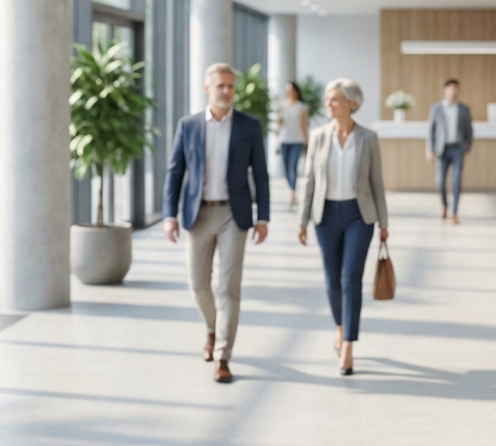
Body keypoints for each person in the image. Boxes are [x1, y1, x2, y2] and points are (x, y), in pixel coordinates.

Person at [162, 63, 271, 383]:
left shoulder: (249, 127)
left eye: (231, 86)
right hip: (198, 214)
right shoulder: (189, 125)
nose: (226, 91)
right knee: (198, 285)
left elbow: (261, 175)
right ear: (207, 89)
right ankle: (212, 327)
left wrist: (262, 216)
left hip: (233, 216)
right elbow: (175, 172)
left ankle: (223, 356)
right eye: (220, 86)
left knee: (228, 288)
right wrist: (169, 215)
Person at [297, 78, 390, 376]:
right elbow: (309, 179)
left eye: (335, 99)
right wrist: (302, 220)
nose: (329, 104)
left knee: (351, 278)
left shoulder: (368, 138)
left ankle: (348, 343)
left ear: (351, 103)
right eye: (328, 99)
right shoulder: (319, 136)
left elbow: (377, 182)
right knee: (332, 281)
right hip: (325, 215)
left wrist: (384, 223)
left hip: (358, 215)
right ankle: (339, 325)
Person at [426, 78, 473, 224]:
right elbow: (431, 131)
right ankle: (444, 205)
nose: (453, 91)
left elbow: (469, 130)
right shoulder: (436, 108)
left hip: (458, 148)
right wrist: (429, 150)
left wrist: (468, 145)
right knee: (440, 182)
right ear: (445, 90)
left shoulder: (464, 109)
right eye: (451, 88)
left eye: (456, 89)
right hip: (442, 149)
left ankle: (455, 212)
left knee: (456, 181)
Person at [275, 81, 310, 210]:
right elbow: (279, 124)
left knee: (292, 168)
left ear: (296, 91)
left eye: (291, 89)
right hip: (284, 140)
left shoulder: (302, 107)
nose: (289, 92)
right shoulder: (282, 106)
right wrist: (277, 141)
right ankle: (292, 190)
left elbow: (304, 124)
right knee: (286, 170)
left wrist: (307, 141)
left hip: (298, 140)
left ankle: (292, 194)